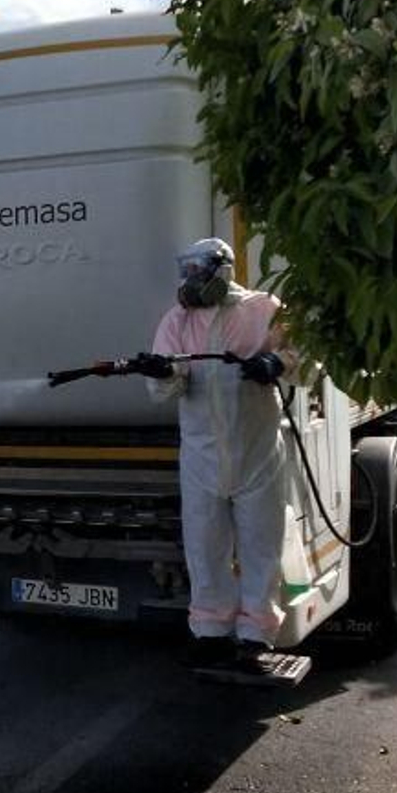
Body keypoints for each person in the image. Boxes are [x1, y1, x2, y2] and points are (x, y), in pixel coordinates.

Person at [132, 238, 297, 672]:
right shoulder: (177, 320)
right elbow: (167, 387)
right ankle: (210, 632)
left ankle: (257, 635)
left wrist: (276, 364)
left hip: (256, 450)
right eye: (185, 273)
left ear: (222, 271)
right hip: (202, 455)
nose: (191, 281)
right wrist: (163, 372)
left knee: (262, 543)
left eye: (198, 271)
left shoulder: (263, 309)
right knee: (205, 546)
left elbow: (303, 355)